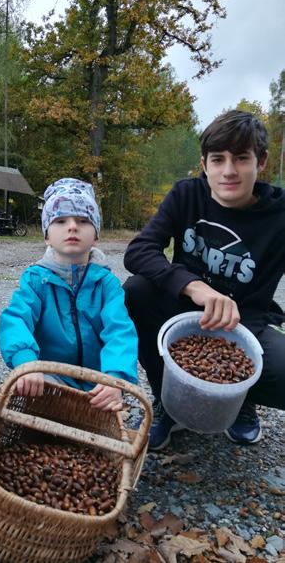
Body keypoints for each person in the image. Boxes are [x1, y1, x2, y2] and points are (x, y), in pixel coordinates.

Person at [123, 110, 285, 450]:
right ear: (204, 163)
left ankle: (241, 399)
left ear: (262, 161)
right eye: (218, 159)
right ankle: (168, 401)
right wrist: (193, 286)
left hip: (246, 326)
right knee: (135, 291)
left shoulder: (279, 216)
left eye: (241, 158)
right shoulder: (187, 195)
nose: (228, 171)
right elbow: (139, 251)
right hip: (181, 314)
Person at [0, 177, 138, 410]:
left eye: (83, 220)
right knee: (36, 396)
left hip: (98, 383)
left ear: (95, 235)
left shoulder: (107, 284)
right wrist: (26, 362)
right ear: (46, 235)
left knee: (103, 413)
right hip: (49, 378)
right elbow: (15, 319)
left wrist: (115, 377)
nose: (72, 226)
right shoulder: (35, 280)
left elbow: (120, 331)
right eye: (61, 220)